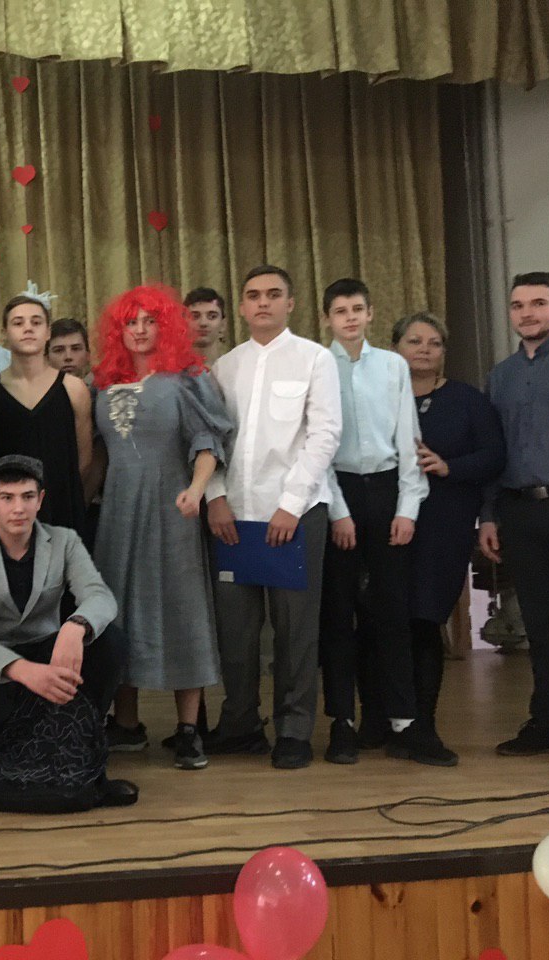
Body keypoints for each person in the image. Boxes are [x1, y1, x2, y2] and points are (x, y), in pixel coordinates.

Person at [204, 265, 342, 770]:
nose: (263, 302)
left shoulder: (315, 359)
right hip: (233, 518)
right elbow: (210, 438)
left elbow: (324, 435)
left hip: (295, 515)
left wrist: (291, 503)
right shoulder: (224, 368)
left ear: (291, 303)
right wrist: (215, 496)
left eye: (273, 294)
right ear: (241, 307)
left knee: (295, 632)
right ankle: (240, 724)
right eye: (253, 295)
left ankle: (294, 729)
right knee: (236, 633)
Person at [91, 286, 232, 770]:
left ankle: (189, 730)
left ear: (166, 326)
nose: (139, 330)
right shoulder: (103, 383)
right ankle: (126, 724)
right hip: (117, 510)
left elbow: (207, 442)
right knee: (118, 609)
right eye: (131, 322)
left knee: (181, 608)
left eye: (149, 321)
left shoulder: (187, 378)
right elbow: (99, 454)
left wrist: (197, 490)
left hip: (173, 507)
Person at [0, 456, 137, 805]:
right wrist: (21, 670)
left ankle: (83, 757)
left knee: (110, 643)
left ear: (41, 499)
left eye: (27, 496)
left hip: (47, 646)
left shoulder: (64, 541)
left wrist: (75, 627)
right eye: (7, 498)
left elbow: (99, 596)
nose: (18, 508)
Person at [317, 279, 445, 766]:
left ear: (370, 314)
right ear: (327, 319)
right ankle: (342, 723)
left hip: (387, 489)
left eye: (357, 309)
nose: (350, 318)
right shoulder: (318, 365)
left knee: (393, 613)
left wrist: (407, 508)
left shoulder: (392, 366)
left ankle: (404, 723)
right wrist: (338, 512)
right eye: (340, 310)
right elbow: (316, 443)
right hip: (338, 491)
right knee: (338, 616)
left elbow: (408, 437)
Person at [392, 312, 504, 751]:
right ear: (395, 348)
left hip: (444, 524)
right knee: (386, 622)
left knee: (425, 620)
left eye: (434, 343)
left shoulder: (467, 399)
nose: (424, 349)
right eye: (414, 341)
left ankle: (424, 725)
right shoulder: (381, 396)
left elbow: (494, 456)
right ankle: (385, 723)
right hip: (387, 524)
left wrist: (448, 466)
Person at [479, 271, 549, 756]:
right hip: (521, 513)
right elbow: (495, 451)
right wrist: (488, 515)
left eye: (537, 303)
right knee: (541, 624)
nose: (527, 313)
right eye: (517, 305)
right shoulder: (501, 375)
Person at [0, 296, 90, 532]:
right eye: (18, 323)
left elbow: (83, 458)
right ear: (5, 333)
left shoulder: (73, 388)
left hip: (62, 510)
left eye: (36, 322)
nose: (28, 328)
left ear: (47, 333)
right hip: (8, 517)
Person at [185, 287, 228, 364]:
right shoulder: (168, 370)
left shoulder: (238, 367)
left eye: (212, 316)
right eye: (195, 316)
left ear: (223, 325)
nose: (203, 323)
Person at [46, 318, 92, 385]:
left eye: (75, 349)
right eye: (59, 350)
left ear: (88, 355)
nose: (68, 357)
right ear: (46, 358)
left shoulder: (102, 390)